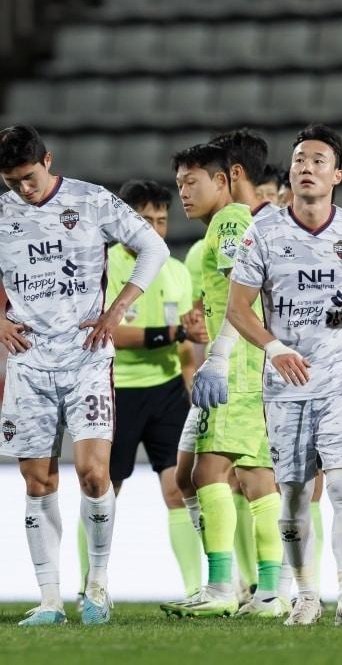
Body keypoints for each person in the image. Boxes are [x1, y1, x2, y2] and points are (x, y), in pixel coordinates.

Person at [0, 125, 169, 625]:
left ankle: (97, 586)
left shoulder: (91, 201)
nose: (23, 189)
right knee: (37, 479)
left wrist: (117, 309)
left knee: (94, 473)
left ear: (48, 160)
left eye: (29, 177)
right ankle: (49, 600)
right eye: (11, 181)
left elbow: (154, 248)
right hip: (28, 364)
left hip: (88, 359)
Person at [226, 124, 342, 626]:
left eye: (319, 161)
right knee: (296, 494)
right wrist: (274, 348)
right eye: (300, 159)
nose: (306, 167)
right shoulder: (263, 232)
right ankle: (304, 595)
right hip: (286, 388)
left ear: (337, 174)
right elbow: (238, 308)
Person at [159, 144, 283, 620]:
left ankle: (221, 587)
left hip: (235, 368)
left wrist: (219, 357)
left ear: (222, 181)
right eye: (179, 185)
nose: (183, 194)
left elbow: (241, 293)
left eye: (192, 182)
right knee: (240, 475)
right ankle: (268, 592)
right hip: (250, 366)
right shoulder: (229, 223)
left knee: (209, 473)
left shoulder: (229, 222)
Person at [75, 180, 207, 605]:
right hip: (115, 389)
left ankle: (195, 589)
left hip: (167, 392)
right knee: (102, 489)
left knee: (179, 490)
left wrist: (191, 377)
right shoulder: (101, 266)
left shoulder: (176, 271)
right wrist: (173, 332)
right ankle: (90, 585)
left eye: (161, 221)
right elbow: (107, 331)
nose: (154, 229)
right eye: (145, 220)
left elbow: (185, 339)